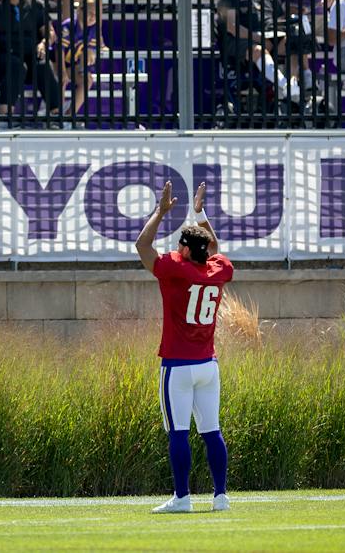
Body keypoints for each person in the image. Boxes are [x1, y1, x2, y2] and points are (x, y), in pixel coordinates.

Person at [135, 179, 231, 516]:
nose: (176, 249)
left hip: (177, 365)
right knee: (211, 430)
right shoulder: (218, 270)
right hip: (208, 364)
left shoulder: (176, 270)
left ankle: (182, 497)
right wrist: (200, 213)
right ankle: (220, 497)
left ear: (187, 250)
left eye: (180, 245)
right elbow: (215, 250)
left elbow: (142, 245)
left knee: (178, 432)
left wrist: (160, 213)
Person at [0, 0, 60, 119]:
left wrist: (44, 43)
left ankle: (56, 115)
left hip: (30, 54)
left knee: (43, 65)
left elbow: (49, 32)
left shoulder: (36, 4)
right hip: (1, 57)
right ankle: (4, 116)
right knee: (15, 65)